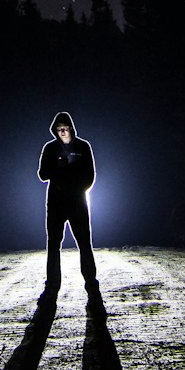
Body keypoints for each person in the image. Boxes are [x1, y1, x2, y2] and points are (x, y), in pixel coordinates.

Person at [38, 111, 103, 310]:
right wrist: (58, 166)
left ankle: (91, 284)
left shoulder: (83, 147)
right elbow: (42, 174)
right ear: (55, 131)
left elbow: (91, 176)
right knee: (53, 245)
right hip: (56, 204)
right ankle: (52, 285)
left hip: (77, 204)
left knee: (84, 243)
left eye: (65, 128)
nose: (62, 132)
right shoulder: (50, 148)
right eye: (59, 129)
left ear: (71, 127)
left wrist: (77, 189)